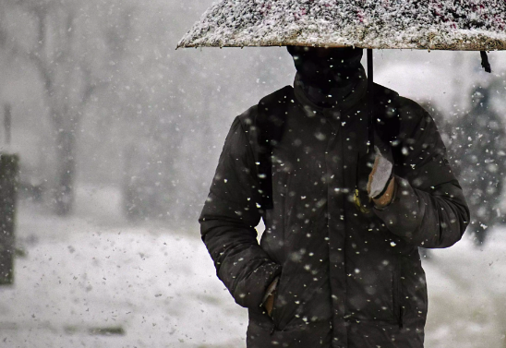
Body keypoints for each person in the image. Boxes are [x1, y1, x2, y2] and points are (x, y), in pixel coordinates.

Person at [199, 46, 469, 348]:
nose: (326, 51)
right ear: (293, 43)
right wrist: (268, 288)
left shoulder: (401, 122)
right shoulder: (262, 126)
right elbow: (222, 223)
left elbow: (450, 218)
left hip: (384, 337)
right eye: (312, 41)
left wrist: (392, 196)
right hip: (290, 336)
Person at [450, 85, 506, 246]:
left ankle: (477, 226)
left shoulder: (465, 120)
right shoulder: (494, 121)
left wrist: (455, 165)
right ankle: (481, 227)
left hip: (471, 170)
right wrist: (505, 166)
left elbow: (456, 146)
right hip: (489, 171)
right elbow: (504, 147)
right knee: (487, 201)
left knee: (473, 200)